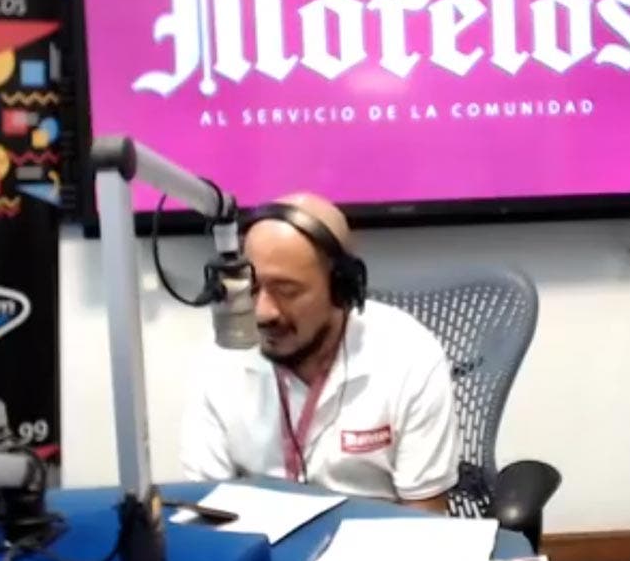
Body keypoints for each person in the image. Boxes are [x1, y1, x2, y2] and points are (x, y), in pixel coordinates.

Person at [177, 193, 460, 512]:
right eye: (252, 288)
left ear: (342, 290)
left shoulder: (409, 356)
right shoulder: (220, 359)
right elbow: (205, 507)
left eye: (287, 291)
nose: (263, 312)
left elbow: (425, 521)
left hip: (376, 537)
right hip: (257, 537)